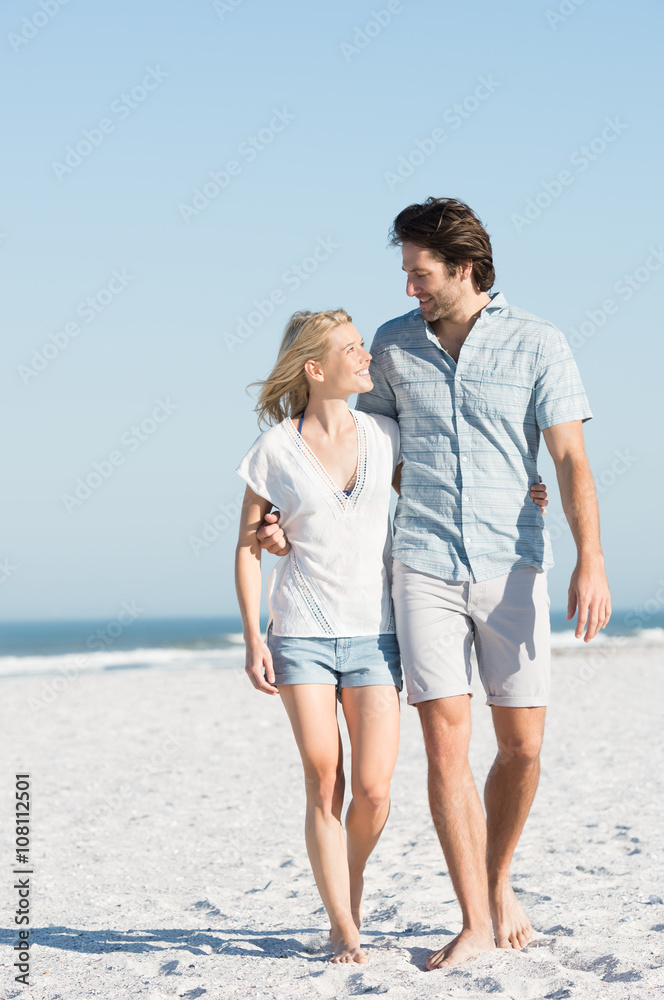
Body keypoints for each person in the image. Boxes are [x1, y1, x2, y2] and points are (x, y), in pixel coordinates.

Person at [257, 197, 610, 971]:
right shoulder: (389, 346)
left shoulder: (539, 343)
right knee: (445, 745)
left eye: (421, 274)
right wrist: (285, 519)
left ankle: (499, 878)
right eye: (406, 274)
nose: (410, 287)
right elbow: (352, 448)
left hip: (514, 563)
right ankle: (474, 920)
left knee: (520, 748)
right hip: (417, 562)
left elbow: (571, 460)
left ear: (464, 267)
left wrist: (591, 557)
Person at [235, 306, 548, 965]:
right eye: (351, 348)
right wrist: (252, 637)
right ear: (316, 369)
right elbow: (248, 545)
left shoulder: (384, 433)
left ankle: (348, 884)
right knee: (326, 779)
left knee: (375, 790)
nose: (366, 355)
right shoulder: (274, 451)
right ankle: (344, 925)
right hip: (302, 634)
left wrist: (517, 491)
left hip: (377, 633)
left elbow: (441, 478)